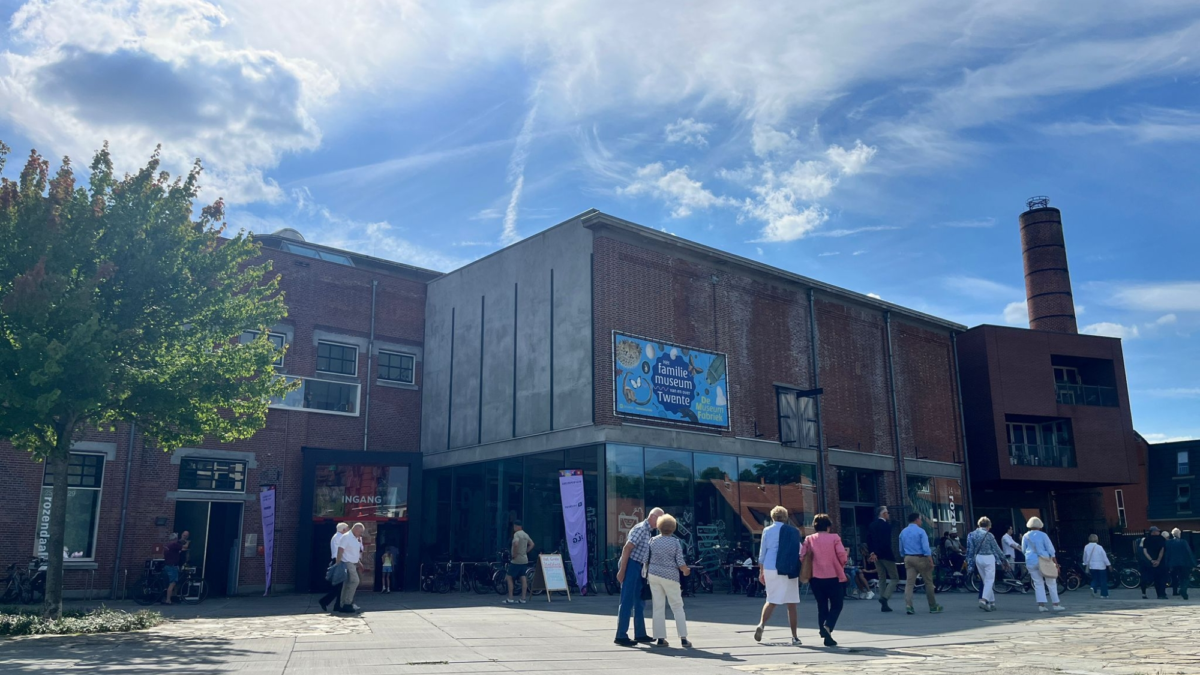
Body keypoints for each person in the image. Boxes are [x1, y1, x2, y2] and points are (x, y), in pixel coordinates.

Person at [752, 506, 802, 646]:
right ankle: (794, 636)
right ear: (786, 517)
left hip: (770, 567)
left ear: (772, 517)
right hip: (788, 568)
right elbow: (800, 550)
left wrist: (761, 571)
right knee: (791, 603)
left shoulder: (767, 531)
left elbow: (762, 553)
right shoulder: (793, 531)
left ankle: (761, 624)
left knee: (771, 599)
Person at [614, 507, 663, 647]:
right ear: (652, 517)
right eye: (659, 519)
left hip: (639, 567)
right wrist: (622, 571)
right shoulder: (641, 529)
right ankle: (620, 635)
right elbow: (627, 548)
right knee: (627, 601)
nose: (660, 523)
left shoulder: (648, 531)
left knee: (639, 602)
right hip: (631, 565)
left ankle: (640, 633)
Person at [802, 513, 849, 647]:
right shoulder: (834, 538)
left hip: (815, 577)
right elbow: (842, 555)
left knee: (821, 605)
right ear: (828, 526)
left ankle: (825, 633)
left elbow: (802, 556)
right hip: (833, 576)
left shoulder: (809, 539)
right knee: (837, 604)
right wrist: (842, 563)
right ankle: (828, 626)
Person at [647, 514, 691, 648]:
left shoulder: (652, 541)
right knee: (677, 606)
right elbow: (679, 561)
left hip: (654, 575)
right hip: (671, 576)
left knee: (658, 606)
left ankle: (660, 638)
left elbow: (646, 558)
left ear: (659, 527)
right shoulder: (675, 542)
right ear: (673, 528)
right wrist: (685, 570)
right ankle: (683, 638)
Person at [899, 513, 943, 615]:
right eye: (920, 519)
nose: (921, 521)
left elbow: (901, 548)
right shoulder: (921, 531)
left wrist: (904, 555)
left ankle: (909, 606)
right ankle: (933, 606)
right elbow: (926, 548)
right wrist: (930, 560)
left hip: (908, 557)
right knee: (928, 582)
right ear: (916, 520)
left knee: (909, 583)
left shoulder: (903, 532)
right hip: (921, 557)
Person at [1021, 517, 1064, 612]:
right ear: (1040, 525)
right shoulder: (1043, 535)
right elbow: (1051, 549)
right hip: (1044, 560)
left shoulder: (1025, 536)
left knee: (1038, 583)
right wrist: (1055, 562)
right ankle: (1055, 604)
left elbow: (1023, 550)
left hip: (1031, 561)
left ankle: (1041, 605)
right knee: (1051, 582)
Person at [966, 517, 1007, 612]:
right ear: (988, 526)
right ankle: (984, 600)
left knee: (985, 580)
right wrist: (1003, 558)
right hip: (989, 557)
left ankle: (992, 602)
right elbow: (996, 548)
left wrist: (969, 561)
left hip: (978, 557)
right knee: (989, 580)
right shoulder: (989, 535)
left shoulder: (972, 534)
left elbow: (970, 549)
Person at [866, 506, 899, 612]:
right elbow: (885, 542)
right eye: (887, 513)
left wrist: (873, 553)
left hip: (875, 556)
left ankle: (884, 605)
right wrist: (878, 553)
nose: (889, 514)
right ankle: (884, 598)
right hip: (886, 555)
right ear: (884, 514)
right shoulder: (886, 526)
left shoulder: (872, 525)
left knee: (881, 578)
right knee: (894, 578)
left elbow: (869, 540)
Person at [319, 523, 351, 612]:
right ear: (344, 530)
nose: (348, 530)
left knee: (339, 586)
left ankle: (336, 605)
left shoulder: (336, 536)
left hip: (337, 560)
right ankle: (325, 601)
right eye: (347, 529)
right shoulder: (340, 537)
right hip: (339, 561)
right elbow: (341, 550)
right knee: (339, 585)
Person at [504, 520, 535, 605]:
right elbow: (532, 544)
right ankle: (523, 598)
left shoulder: (517, 534)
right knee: (523, 577)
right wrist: (526, 551)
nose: (513, 528)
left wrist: (514, 554)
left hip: (516, 559)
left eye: (514, 527)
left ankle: (510, 598)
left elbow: (516, 543)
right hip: (524, 559)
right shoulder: (525, 534)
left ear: (517, 527)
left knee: (509, 577)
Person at [337, 523, 366, 613]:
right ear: (356, 529)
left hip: (353, 563)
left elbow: (354, 552)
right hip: (347, 562)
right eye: (360, 532)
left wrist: (359, 563)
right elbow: (340, 550)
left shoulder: (355, 538)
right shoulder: (346, 537)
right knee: (355, 581)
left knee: (347, 583)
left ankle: (343, 604)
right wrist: (337, 564)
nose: (361, 534)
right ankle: (348, 603)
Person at [1166, 528, 1194, 600]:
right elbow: (1188, 552)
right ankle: (1183, 589)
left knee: (1174, 577)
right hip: (1183, 563)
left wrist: (1167, 563)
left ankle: (1175, 591)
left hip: (1172, 563)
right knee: (1185, 577)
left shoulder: (1169, 542)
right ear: (1179, 534)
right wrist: (1193, 563)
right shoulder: (1183, 542)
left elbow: (1167, 554)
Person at [1141, 526, 1168, 599]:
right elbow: (1162, 549)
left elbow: (1145, 551)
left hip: (1151, 563)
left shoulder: (1146, 540)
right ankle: (1162, 594)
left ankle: (1158, 594)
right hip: (1161, 562)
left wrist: (1151, 560)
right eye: (1158, 531)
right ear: (1154, 532)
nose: (1159, 532)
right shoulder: (1161, 538)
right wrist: (1158, 560)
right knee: (1162, 578)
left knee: (1156, 579)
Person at [1082, 534, 1111, 599]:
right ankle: (1104, 594)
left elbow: (1085, 556)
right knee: (1103, 580)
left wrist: (1085, 563)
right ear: (1096, 539)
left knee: (1095, 578)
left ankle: (1092, 587)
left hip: (1092, 566)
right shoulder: (1099, 547)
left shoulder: (1086, 547)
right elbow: (1104, 557)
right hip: (1101, 566)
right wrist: (1108, 565)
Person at [162, 533, 184, 605]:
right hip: (172, 566)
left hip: (166, 566)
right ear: (175, 539)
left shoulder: (167, 546)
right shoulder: (174, 545)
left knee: (167, 584)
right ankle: (168, 600)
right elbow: (184, 547)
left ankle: (169, 597)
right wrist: (187, 542)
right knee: (173, 583)